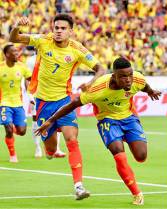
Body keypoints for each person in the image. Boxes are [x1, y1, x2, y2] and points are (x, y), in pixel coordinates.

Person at [35, 57, 162, 205]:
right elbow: (74, 104)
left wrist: (151, 92)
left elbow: (144, 85)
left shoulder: (137, 79)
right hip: (107, 119)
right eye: (123, 76)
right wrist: (51, 120)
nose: (128, 80)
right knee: (118, 153)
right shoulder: (98, 89)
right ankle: (137, 193)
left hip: (129, 118)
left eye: (130, 75)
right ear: (114, 76)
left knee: (141, 156)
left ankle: (127, 137)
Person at [9, 14, 106, 200]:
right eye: (56, 28)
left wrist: (91, 82)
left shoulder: (77, 49)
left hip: (65, 101)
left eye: (62, 28)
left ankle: (79, 186)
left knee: (72, 140)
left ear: (71, 31)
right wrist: (16, 26)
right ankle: (50, 150)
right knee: (51, 150)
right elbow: (14, 38)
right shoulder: (43, 40)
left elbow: (100, 69)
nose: (58, 31)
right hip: (44, 103)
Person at [26, 51, 65, 158]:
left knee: (58, 119)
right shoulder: (31, 60)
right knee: (36, 120)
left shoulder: (56, 55)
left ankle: (56, 148)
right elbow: (28, 78)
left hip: (54, 94)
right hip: (37, 94)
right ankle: (38, 146)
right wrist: (30, 95)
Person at [0, 44, 31, 163]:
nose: (17, 53)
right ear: (7, 54)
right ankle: (12, 155)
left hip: (18, 104)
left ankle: (12, 126)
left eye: (17, 51)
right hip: (4, 103)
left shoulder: (22, 67)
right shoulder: (1, 67)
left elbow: (30, 79)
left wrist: (31, 92)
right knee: (8, 129)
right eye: (14, 51)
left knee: (22, 132)